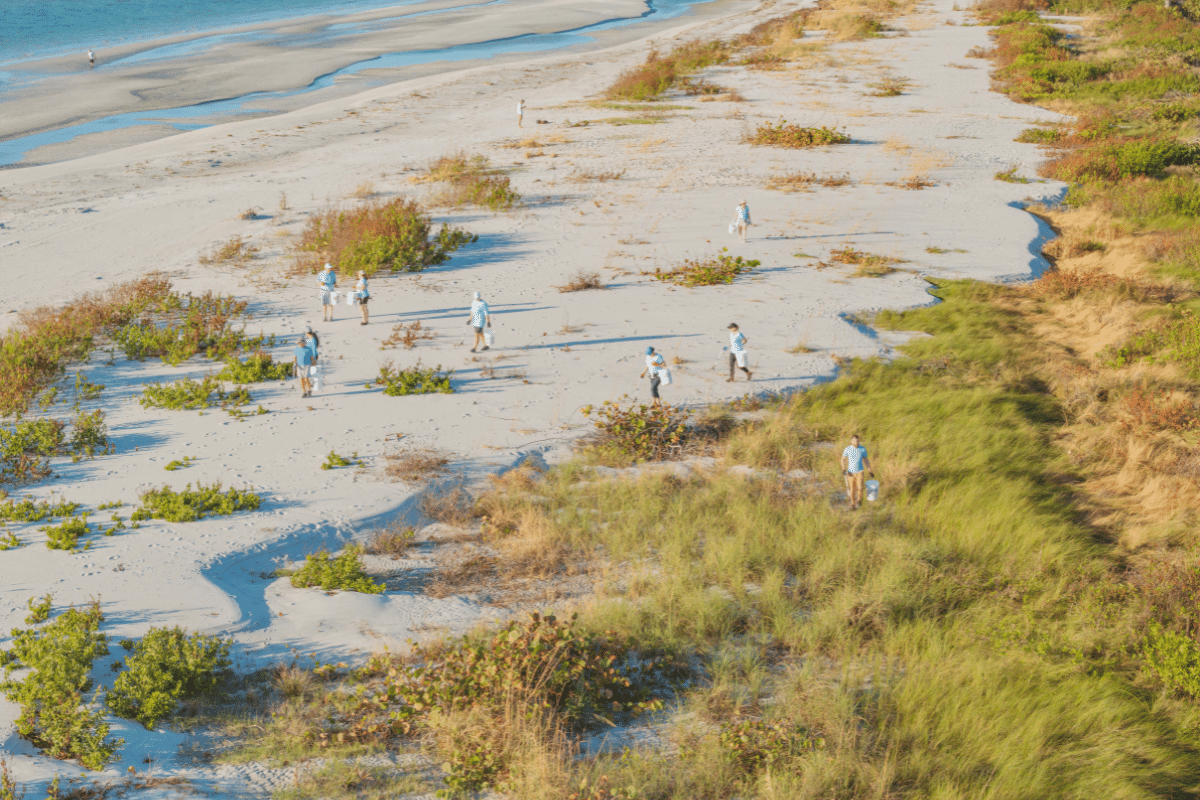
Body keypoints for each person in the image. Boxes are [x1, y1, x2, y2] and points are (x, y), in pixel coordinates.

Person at [840, 434, 874, 510]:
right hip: (850, 472)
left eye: (858, 441)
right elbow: (842, 459)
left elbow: (866, 460)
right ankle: (852, 503)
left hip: (860, 471)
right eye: (855, 441)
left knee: (860, 487)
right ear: (851, 441)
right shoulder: (847, 449)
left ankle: (859, 500)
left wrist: (869, 471)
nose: (857, 442)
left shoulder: (862, 449)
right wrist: (843, 469)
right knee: (852, 489)